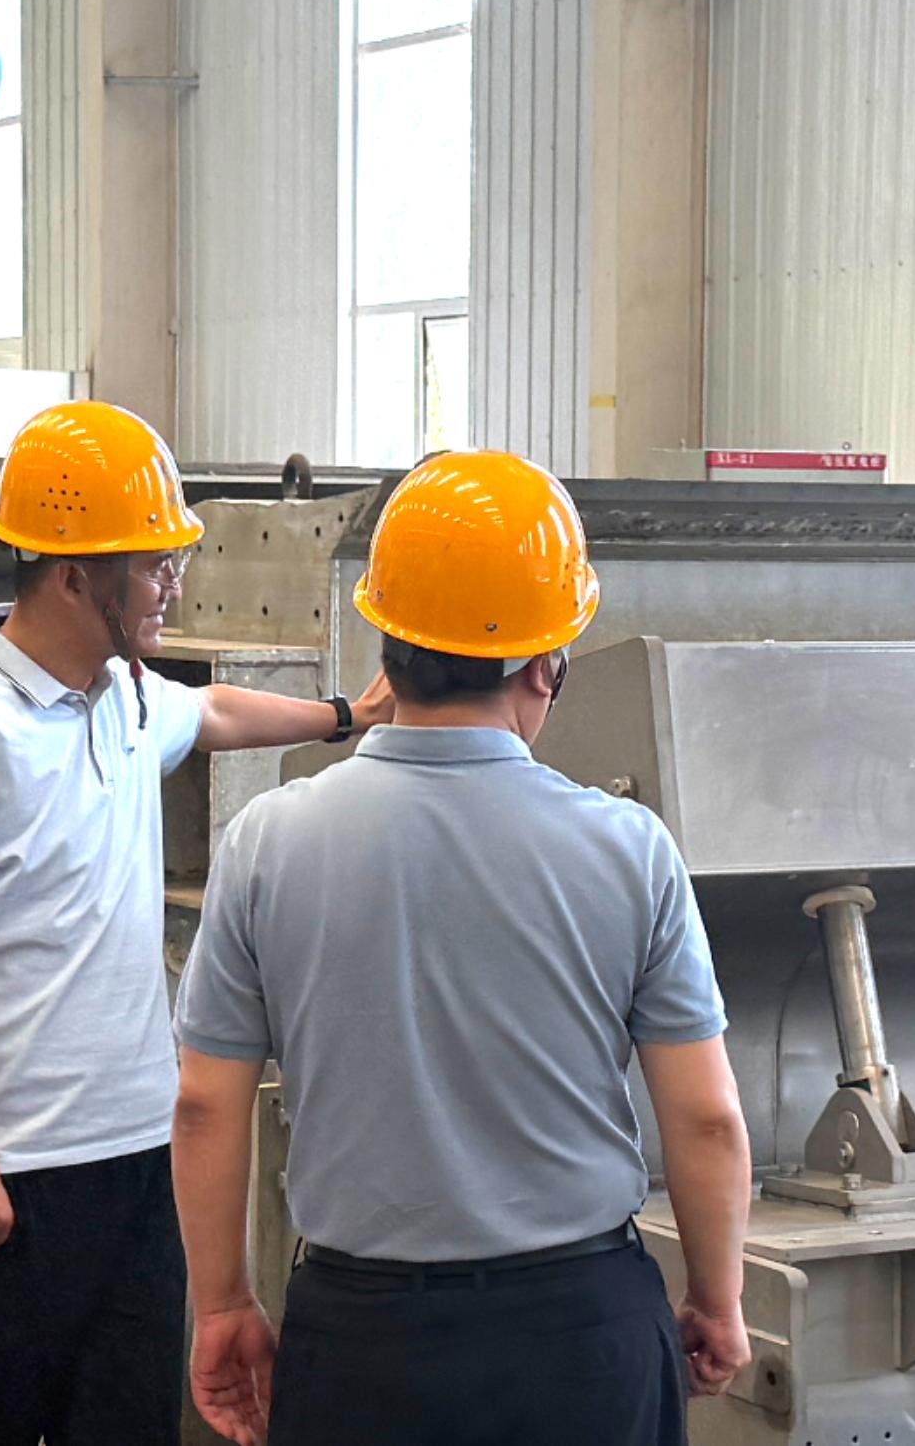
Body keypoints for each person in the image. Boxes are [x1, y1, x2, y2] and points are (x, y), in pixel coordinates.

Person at [168, 450, 755, 1446]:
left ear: (386, 641)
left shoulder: (269, 841)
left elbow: (202, 1103)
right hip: (580, 1337)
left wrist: (222, 1302)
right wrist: (717, 1295)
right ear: (545, 662)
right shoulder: (629, 849)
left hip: (363, 1342)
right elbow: (704, 1118)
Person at [0, 400, 396, 1446]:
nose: (173, 585)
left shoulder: (120, 693)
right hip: (11, 1180)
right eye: (155, 565)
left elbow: (213, 713)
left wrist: (351, 716)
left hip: (134, 1157)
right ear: (75, 576)